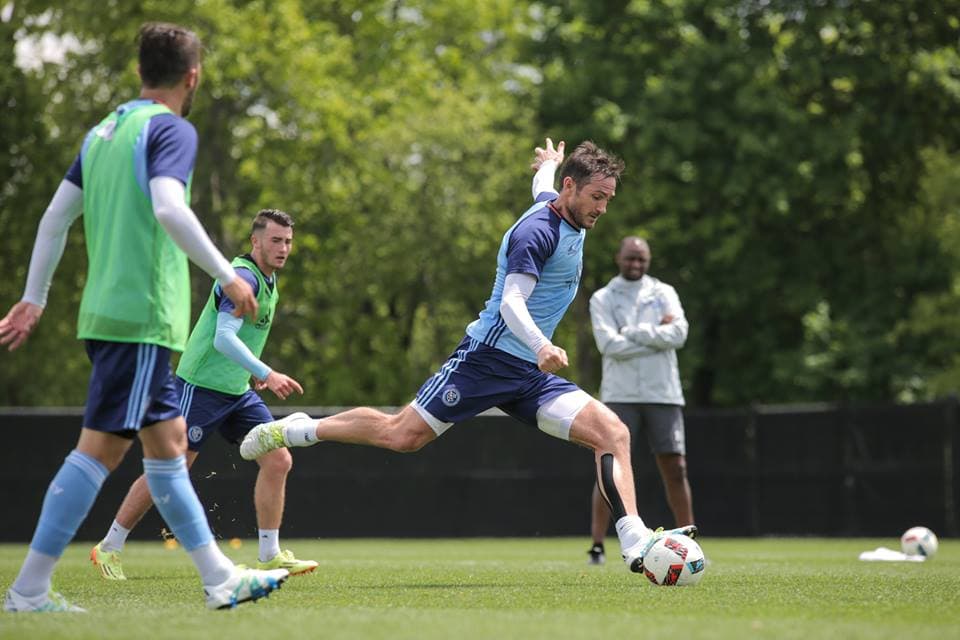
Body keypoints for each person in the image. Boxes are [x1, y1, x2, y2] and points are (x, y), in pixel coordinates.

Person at [239, 138, 697, 575]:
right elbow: (511, 304)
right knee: (402, 436)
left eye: (609, 200)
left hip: (529, 377)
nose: (602, 208)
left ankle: (635, 540)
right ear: (571, 189)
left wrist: (549, 165)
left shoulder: (561, 207)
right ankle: (296, 429)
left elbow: (542, 188)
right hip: (486, 361)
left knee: (612, 432)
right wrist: (542, 345)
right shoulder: (537, 233)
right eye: (597, 197)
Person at [0, 22, 288, 612]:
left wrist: (35, 297)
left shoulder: (104, 132)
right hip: (140, 321)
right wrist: (227, 274)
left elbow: (54, 219)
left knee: (169, 446)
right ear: (193, 77)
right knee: (100, 452)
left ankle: (219, 578)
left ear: (138, 72)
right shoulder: (170, 130)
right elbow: (168, 206)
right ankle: (28, 589)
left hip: (106, 316)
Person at [90, 208, 317, 581]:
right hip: (200, 389)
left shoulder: (267, 279)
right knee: (171, 468)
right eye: (275, 240)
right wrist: (267, 372)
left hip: (236, 391)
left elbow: (236, 340)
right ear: (255, 241)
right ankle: (109, 547)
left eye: (288, 241)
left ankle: (270, 555)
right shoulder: (244, 276)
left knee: (278, 459)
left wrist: (249, 373)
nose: (283, 248)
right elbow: (222, 337)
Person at [584, 236, 693, 565]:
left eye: (641, 260)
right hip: (620, 394)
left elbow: (679, 334)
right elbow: (608, 345)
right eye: (630, 258)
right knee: (611, 468)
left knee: (676, 468)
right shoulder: (603, 297)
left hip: (664, 393)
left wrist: (631, 331)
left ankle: (688, 538)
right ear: (618, 257)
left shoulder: (664, 292)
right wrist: (655, 335)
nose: (635, 264)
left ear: (648, 260)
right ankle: (598, 546)